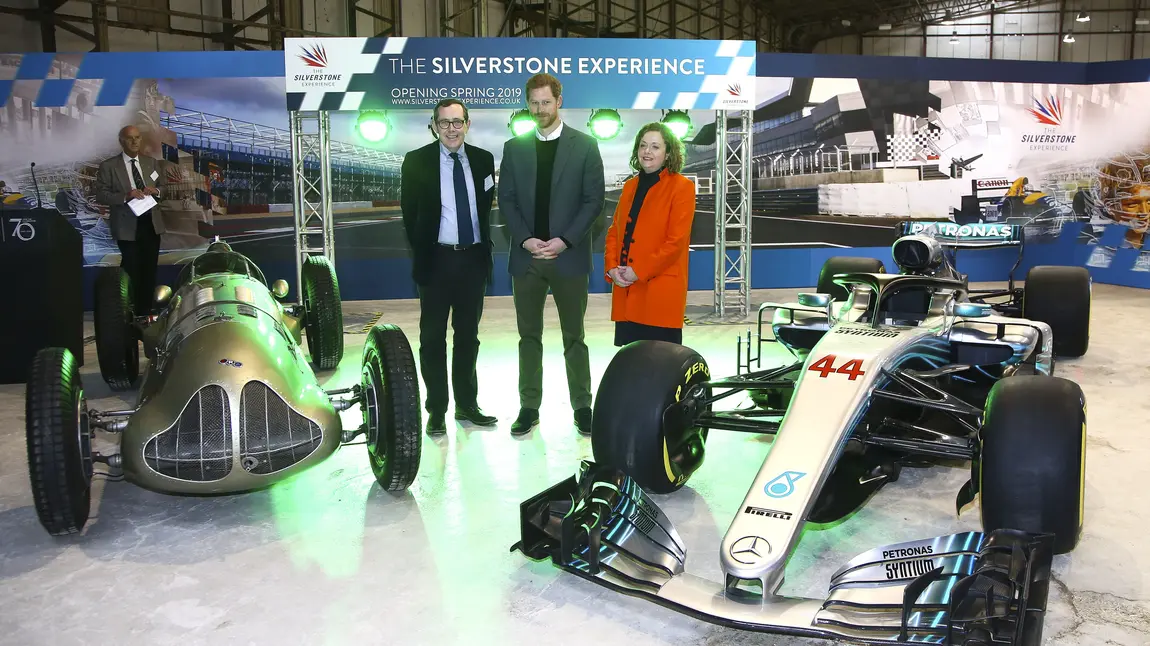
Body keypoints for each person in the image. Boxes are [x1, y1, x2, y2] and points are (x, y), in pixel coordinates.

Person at [498, 73, 605, 436]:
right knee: (528, 336)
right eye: (534, 103)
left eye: (546, 102)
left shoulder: (586, 145)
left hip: (568, 258)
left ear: (559, 101)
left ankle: (583, 406)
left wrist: (564, 241)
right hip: (527, 259)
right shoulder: (513, 148)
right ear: (527, 103)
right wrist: (526, 239)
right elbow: (507, 201)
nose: (540, 109)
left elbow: (594, 202)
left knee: (574, 336)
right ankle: (529, 407)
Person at [400, 98, 499, 436]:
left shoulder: (484, 161)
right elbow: (409, 215)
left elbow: (484, 210)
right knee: (432, 338)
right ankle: (437, 408)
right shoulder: (416, 161)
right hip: (436, 261)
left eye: (458, 122)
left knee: (468, 337)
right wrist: (426, 251)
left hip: (472, 260)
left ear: (467, 124)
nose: (452, 129)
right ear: (434, 126)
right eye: (445, 123)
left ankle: (467, 405)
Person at [604, 123, 697, 346]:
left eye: (655, 146)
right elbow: (614, 232)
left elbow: (675, 243)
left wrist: (639, 271)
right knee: (631, 364)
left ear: (668, 153)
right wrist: (611, 268)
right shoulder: (629, 187)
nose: (647, 151)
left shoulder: (682, 187)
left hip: (659, 293)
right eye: (643, 145)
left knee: (661, 365)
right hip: (627, 289)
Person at [94, 125, 167, 315]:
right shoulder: (109, 166)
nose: (134, 142)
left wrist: (156, 191)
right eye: (130, 138)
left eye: (137, 137)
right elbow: (101, 195)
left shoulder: (151, 163)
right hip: (127, 225)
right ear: (121, 141)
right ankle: (127, 310)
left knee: (149, 270)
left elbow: (164, 188)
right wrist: (126, 195)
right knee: (131, 269)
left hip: (151, 223)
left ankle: (145, 311)